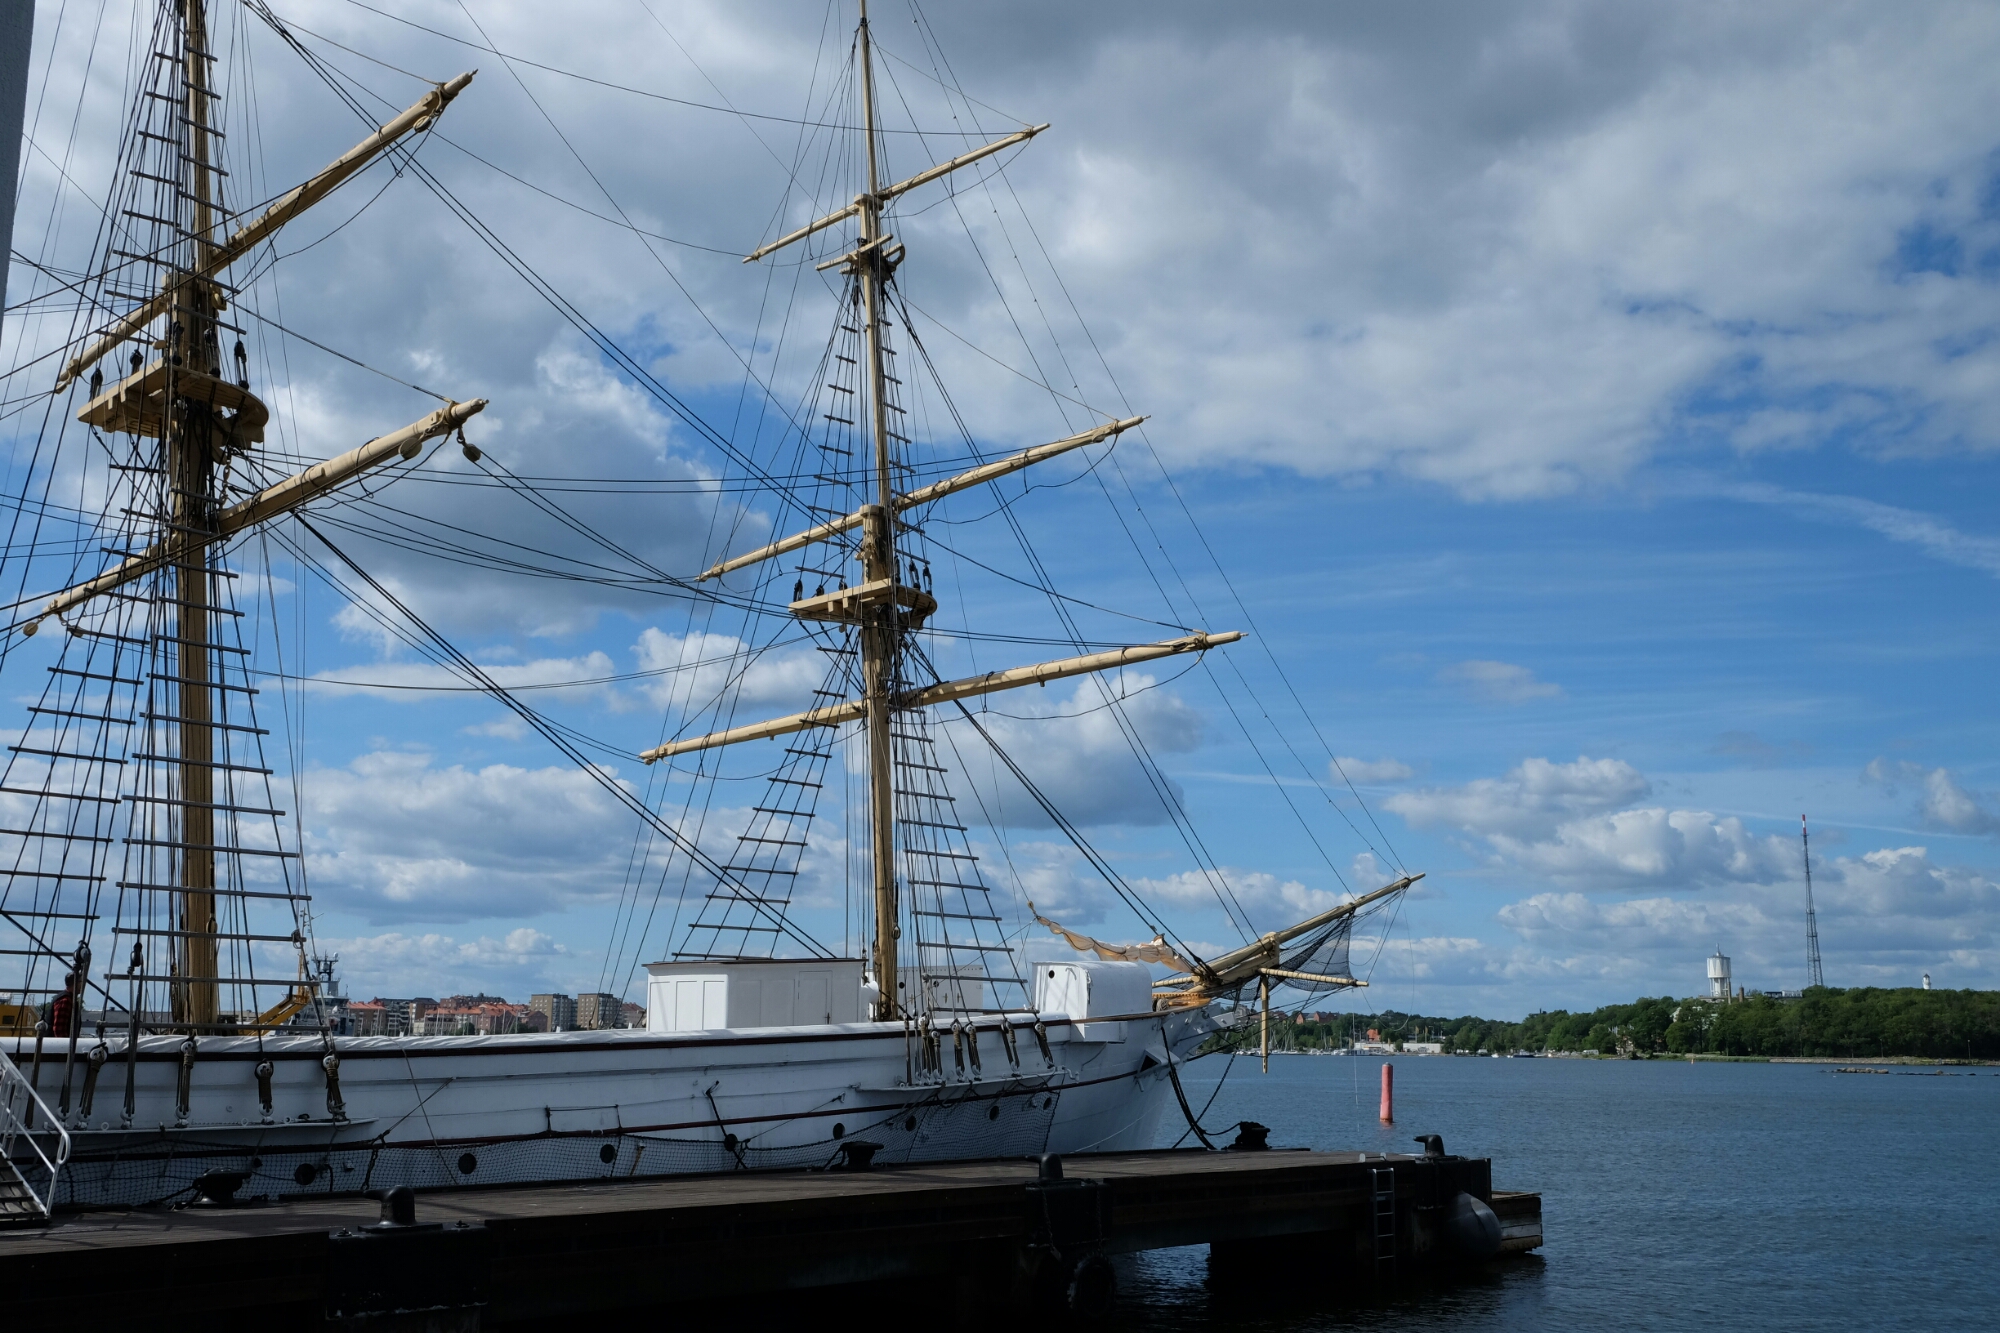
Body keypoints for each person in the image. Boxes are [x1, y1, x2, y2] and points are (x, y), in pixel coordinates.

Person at [48, 971, 76, 1039]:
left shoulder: (66, 998)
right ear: (75, 983)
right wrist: (64, 1046)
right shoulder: (65, 1000)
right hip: (58, 1046)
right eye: (80, 982)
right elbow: (59, 1029)